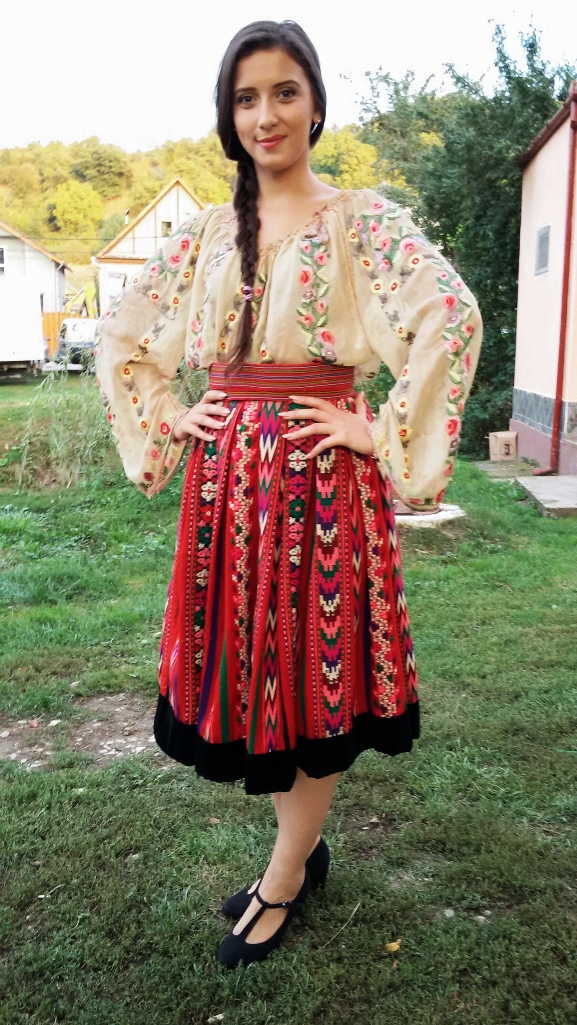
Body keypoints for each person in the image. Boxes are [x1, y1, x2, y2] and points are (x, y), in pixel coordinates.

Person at [94, 20, 482, 969]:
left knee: (313, 680)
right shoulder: (204, 231)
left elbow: (449, 313)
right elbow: (123, 333)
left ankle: (281, 875)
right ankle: (300, 853)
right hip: (228, 486)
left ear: (314, 105)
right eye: (245, 97)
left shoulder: (360, 219)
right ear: (227, 115)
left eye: (282, 92)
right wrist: (172, 411)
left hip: (318, 480)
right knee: (254, 679)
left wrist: (377, 430)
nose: (264, 114)